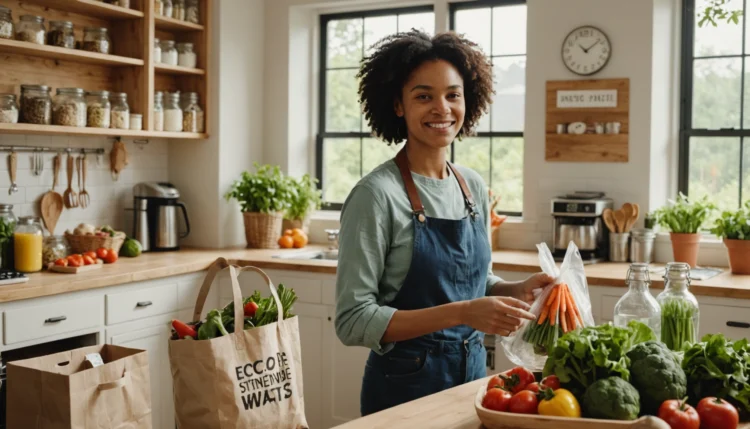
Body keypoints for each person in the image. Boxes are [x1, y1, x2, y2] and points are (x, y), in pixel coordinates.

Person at [334, 30, 554, 416]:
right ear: (398, 106)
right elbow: (353, 320)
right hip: (404, 387)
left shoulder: (471, 186)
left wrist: (515, 290)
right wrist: (464, 312)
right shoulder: (376, 195)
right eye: (424, 96)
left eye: (453, 95)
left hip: (473, 380)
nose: (442, 108)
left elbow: (474, 282)